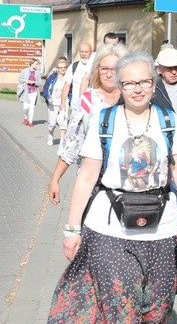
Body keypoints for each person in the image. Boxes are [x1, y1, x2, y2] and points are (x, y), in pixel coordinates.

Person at [45, 51, 177, 324]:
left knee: (159, 304)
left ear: (154, 82)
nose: (137, 88)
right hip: (108, 226)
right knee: (119, 303)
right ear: (119, 85)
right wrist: (71, 227)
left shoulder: (168, 120)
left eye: (144, 81)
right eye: (129, 82)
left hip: (162, 226)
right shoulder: (104, 119)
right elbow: (85, 177)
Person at [48, 44, 128, 205]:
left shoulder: (133, 98)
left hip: (129, 183)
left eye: (114, 68)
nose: (109, 73)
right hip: (93, 181)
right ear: (97, 69)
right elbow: (71, 144)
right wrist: (55, 179)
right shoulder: (87, 100)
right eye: (104, 68)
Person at [59, 42, 94, 118]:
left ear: (91, 52)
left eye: (86, 52)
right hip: (76, 107)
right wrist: (62, 103)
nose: (83, 54)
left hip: (92, 107)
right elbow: (67, 85)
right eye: (81, 52)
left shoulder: (96, 67)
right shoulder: (74, 66)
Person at [42, 57, 69, 145]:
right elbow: (45, 88)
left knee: (63, 123)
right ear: (58, 68)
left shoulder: (68, 78)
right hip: (53, 103)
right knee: (52, 124)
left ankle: (62, 142)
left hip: (64, 103)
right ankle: (50, 134)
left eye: (64, 67)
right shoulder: (53, 77)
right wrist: (48, 97)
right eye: (61, 68)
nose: (63, 69)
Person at [18, 59, 42, 127]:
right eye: (35, 64)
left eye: (37, 64)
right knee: (25, 107)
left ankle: (30, 121)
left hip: (34, 91)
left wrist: (34, 83)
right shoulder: (25, 71)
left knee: (32, 107)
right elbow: (20, 79)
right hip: (26, 91)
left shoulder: (37, 73)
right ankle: (25, 116)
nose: (36, 66)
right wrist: (26, 81)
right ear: (31, 64)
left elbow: (40, 82)